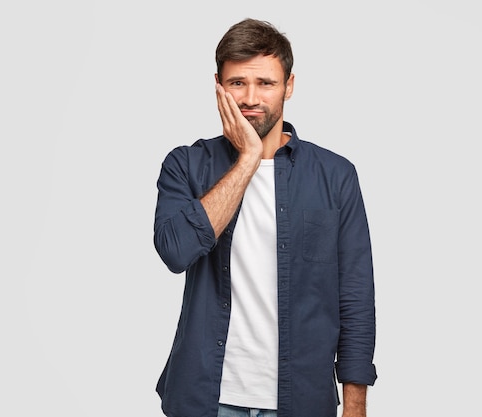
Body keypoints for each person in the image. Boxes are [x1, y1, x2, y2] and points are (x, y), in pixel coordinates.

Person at [153, 18, 377, 417]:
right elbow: (175, 252)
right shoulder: (185, 165)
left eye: (266, 83)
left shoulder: (336, 175)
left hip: (302, 400)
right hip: (207, 398)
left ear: (289, 86)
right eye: (237, 83)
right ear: (218, 86)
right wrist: (248, 160)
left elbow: (355, 296)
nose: (250, 98)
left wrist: (355, 403)